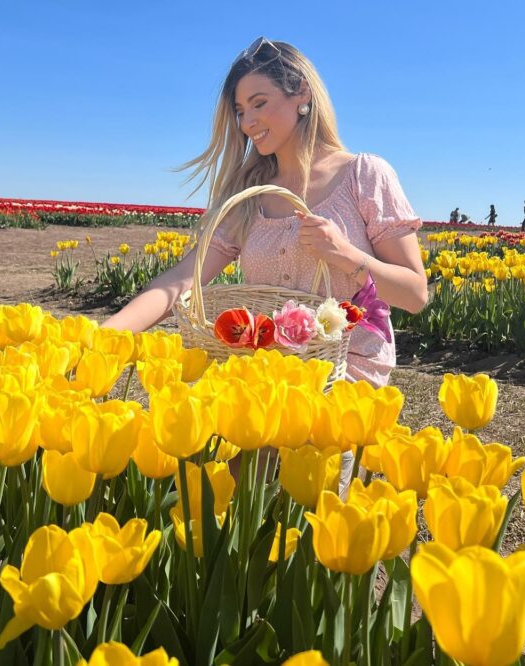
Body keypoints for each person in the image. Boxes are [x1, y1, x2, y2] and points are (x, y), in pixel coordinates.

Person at [102, 37, 428, 488]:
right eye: (240, 111)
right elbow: (182, 279)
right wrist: (102, 339)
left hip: (341, 383)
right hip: (263, 378)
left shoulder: (364, 175)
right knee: (232, 512)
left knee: (319, 531)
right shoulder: (249, 192)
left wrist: (346, 256)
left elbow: (415, 293)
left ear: (301, 96)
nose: (248, 121)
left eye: (259, 103)